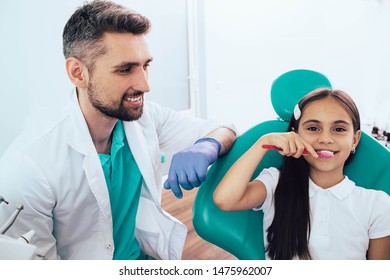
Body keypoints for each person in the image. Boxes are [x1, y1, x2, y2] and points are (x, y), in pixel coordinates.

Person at [0, 0, 236, 260]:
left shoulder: (145, 117)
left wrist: (207, 146)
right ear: (78, 73)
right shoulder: (28, 168)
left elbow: (222, 128)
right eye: (125, 69)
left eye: (145, 65)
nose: (145, 85)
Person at [213, 88, 390, 260]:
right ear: (295, 136)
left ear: (354, 140)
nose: (325, 139)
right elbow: (225, 200)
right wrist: (263, 142)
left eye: (339, 129)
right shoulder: (275, 183)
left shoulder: (377, 204)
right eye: (313, 128)